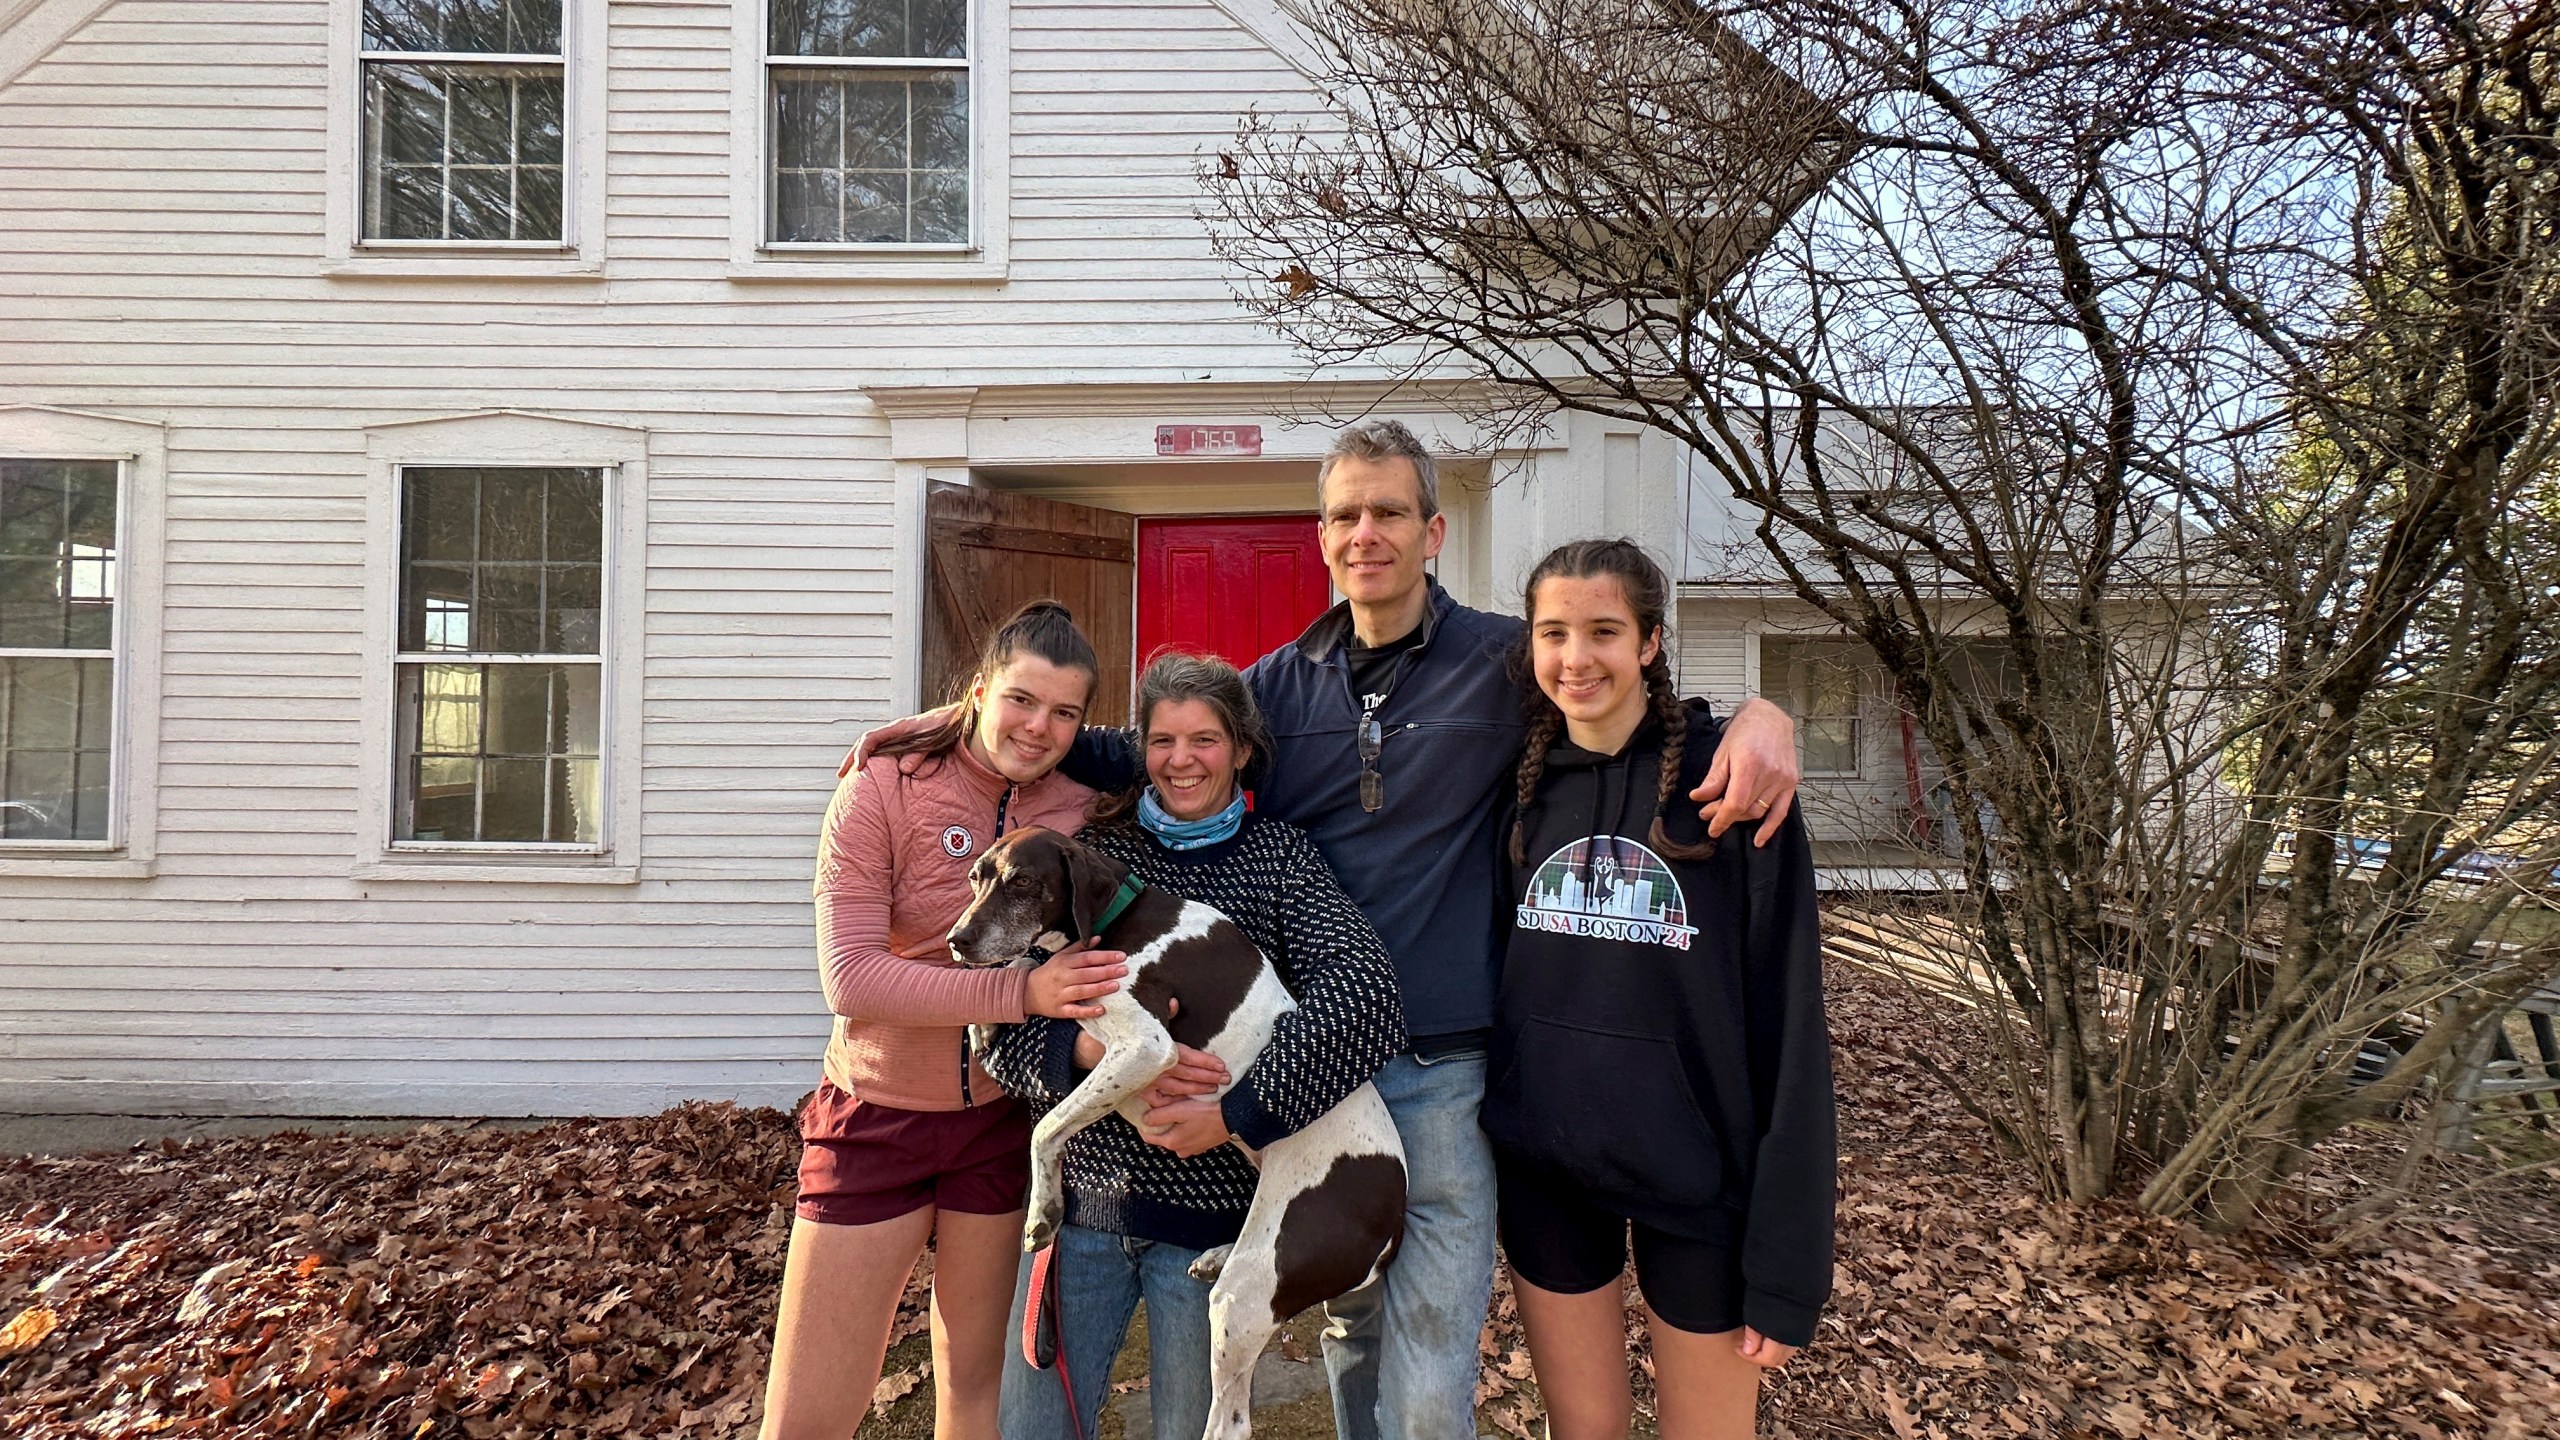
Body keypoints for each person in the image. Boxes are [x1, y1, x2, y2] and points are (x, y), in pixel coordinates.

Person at [1053, 421, 1810, 1440]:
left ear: (1433, 530)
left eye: (1389, 511)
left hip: (1448, 1072)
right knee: (1351, 1333)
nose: (1366, 532)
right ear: (1322, 535)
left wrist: (1766, 714)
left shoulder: (1507, 660)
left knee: (1428, 1376)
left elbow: (1622, 693)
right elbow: (1157, 746)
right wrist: (988, 731)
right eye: (1344, 514)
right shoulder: (1277, 685)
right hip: (1321, 1066)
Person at [978, 651, 1407, 1440]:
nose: (1181, 761)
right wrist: (1077, 1051)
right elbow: (999, 1030)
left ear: (1241, 750)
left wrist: (1236, 1113)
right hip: (1084, 1213)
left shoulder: (1281, 862)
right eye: (1163, 741)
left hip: (1211, 1224)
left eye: (1205, 740)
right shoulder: (1087, 859)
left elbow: (1366, 999)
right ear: (1139, 748)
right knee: (1028, 1426)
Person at [758, 601, 1132, 1440]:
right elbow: (850, 978)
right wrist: (1020, 996)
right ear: (977, 690)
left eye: (1065, 712)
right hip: (874, 1121)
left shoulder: (1080, 805)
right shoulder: (880, 787)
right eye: (1019, 700)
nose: (1038, 728)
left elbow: (1201, 754)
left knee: (975, 1402)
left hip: (1001, 1128)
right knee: (806, 1418)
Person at [1488, 539, 1833, 1440]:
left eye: (1604, 631)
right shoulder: (1518, 792)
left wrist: (1790, 1264)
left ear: (1649, 642)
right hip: (1547, 1170)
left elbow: (1792, 1029)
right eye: (1553, 632)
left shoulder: (1733, 787)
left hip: (1701, 1176)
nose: (1576, 658)